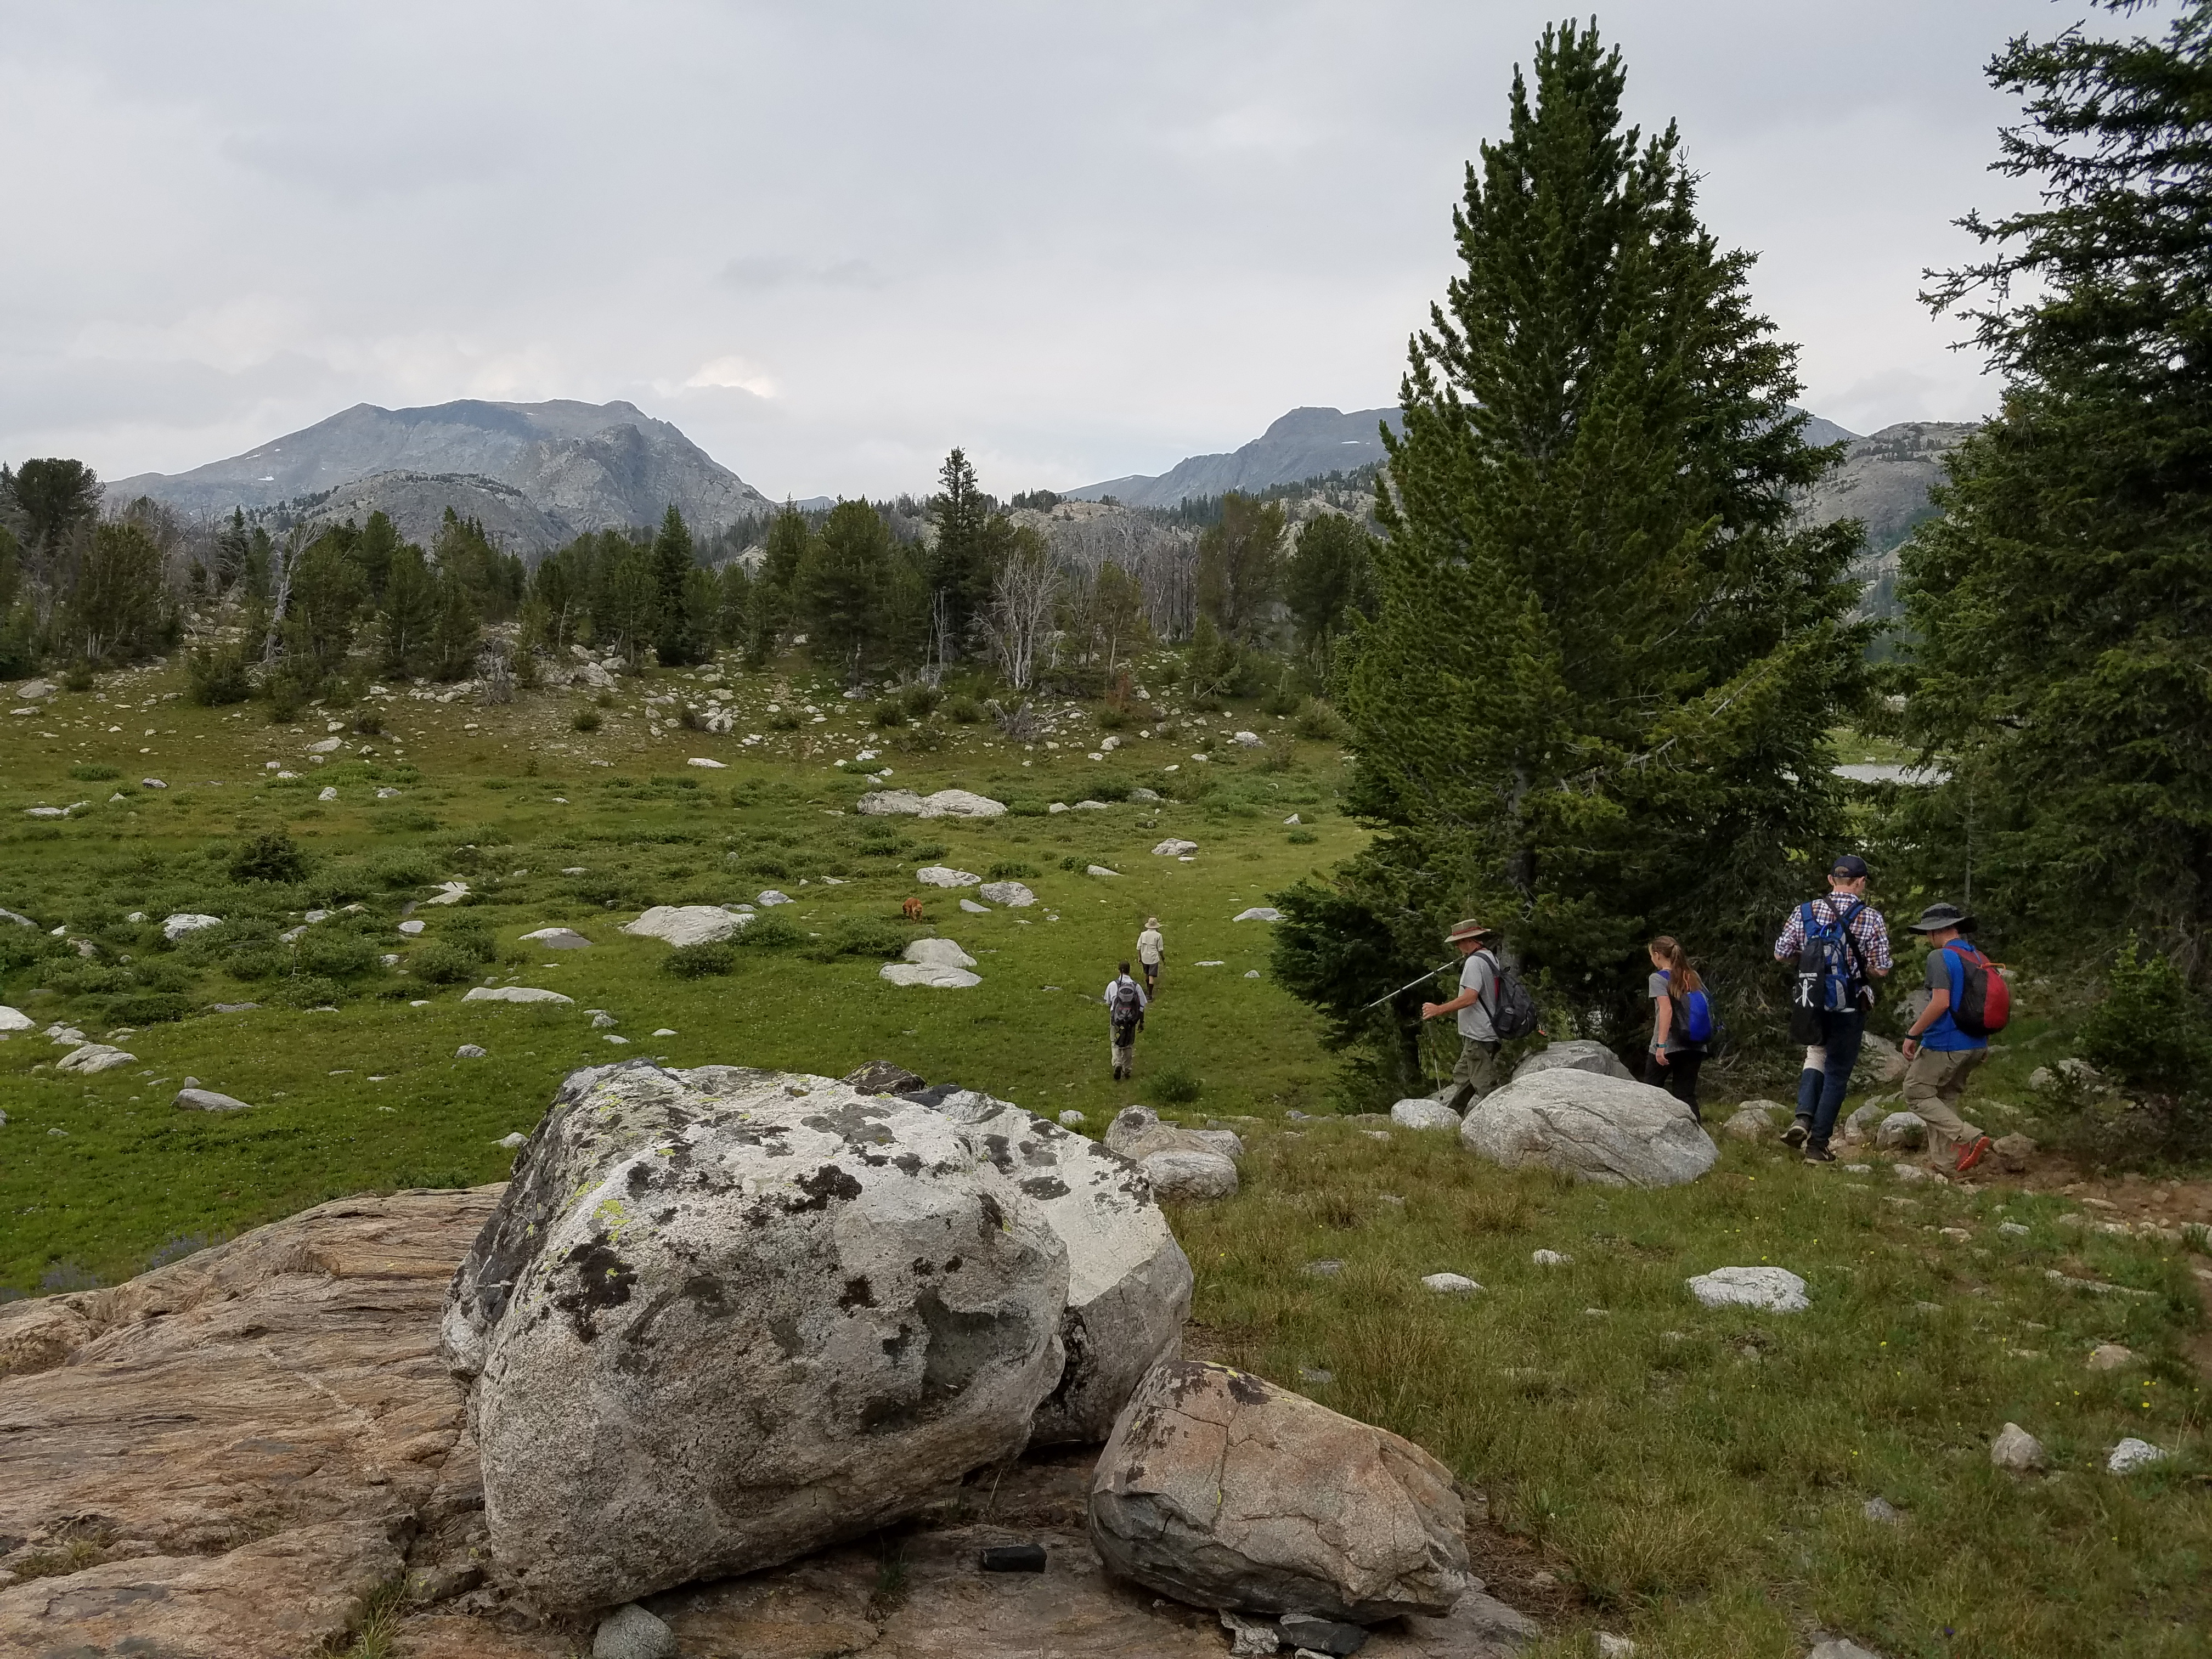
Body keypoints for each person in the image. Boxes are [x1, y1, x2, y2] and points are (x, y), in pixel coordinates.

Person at [1771, 854, 1893, 1162]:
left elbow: (1781, 954)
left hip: (1811, 1001)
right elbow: (1882, 969)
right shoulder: (1871, 918)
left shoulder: (1804, 912)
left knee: (1815, 1053)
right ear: (1861, 882)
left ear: (1831, 880)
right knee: (1838, 1072)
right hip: (1849, 1005)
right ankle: (1818, 1146)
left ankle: (1803, 1118)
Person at [1900, 901, 1996, 1173]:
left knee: (1916, 1092)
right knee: (1945, 1096)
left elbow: (1940, 1002)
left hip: (1946, 1042)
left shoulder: (1940, 957)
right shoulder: (1978, 956)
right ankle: (1947, 1165)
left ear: (1934, 932)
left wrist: (1912, 1033)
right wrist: (1985, 1041)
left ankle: (1969, 1135)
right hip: (1976, 1043)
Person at [1420, 918, 1502, 1112]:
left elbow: (1470, 998)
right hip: (1485, 1031)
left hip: (1479, 1034)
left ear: (1470, 940)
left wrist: (1438, 1009)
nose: (1458, 947)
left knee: (1484, 1083)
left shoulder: (1474, 962)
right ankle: (1452, 1114)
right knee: (1463, 1075)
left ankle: (1497, 1118)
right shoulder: (1489, 957)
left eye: (1459, 942)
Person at [1646, 935, 1707, 1121]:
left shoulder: (1657, 978)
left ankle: (1650, 1130)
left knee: (1650, 1090)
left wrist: (1660, 1046)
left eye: (1651, 955)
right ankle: (1698, 1137)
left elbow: (1666, 1011)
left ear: (1657, 955)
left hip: (1669, 1045)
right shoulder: (1692, 976)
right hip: (1695, 1044)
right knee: (1686, 1094)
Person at [1103, 960, 1148, 1081]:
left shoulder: (1113, 985)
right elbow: (1142, 1006)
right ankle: (1127, 1070)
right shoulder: (1136, 986)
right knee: (1128, 1045)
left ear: (1119, 971)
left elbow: (1108, 1003)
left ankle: (1117, 1063)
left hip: (1117, 1020)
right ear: (1129, 971)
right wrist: (1141, 1022)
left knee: (1115, 1042)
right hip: (1131, 1021)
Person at [1136, 917, 1165, 996]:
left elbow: (1139, 947)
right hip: (1153, 958)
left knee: (1146, 973)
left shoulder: (1143, 935)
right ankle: (1149, 994)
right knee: (1151, 975)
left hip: (1144, 957)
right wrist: (1162, 957)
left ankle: (1147, 988)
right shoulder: (1158, 936)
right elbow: (1160, 949)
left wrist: (1139, 957)